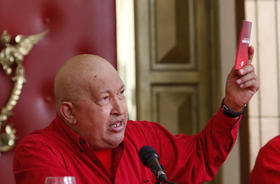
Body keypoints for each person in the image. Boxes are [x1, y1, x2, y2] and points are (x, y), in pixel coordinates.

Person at [13, 46, 259, 184]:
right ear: (69, 112)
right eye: (105, 99)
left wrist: (232, 107)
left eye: (121, 93)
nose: (120, 109)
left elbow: (200, 156)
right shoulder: (38, 152)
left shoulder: (144, 137)